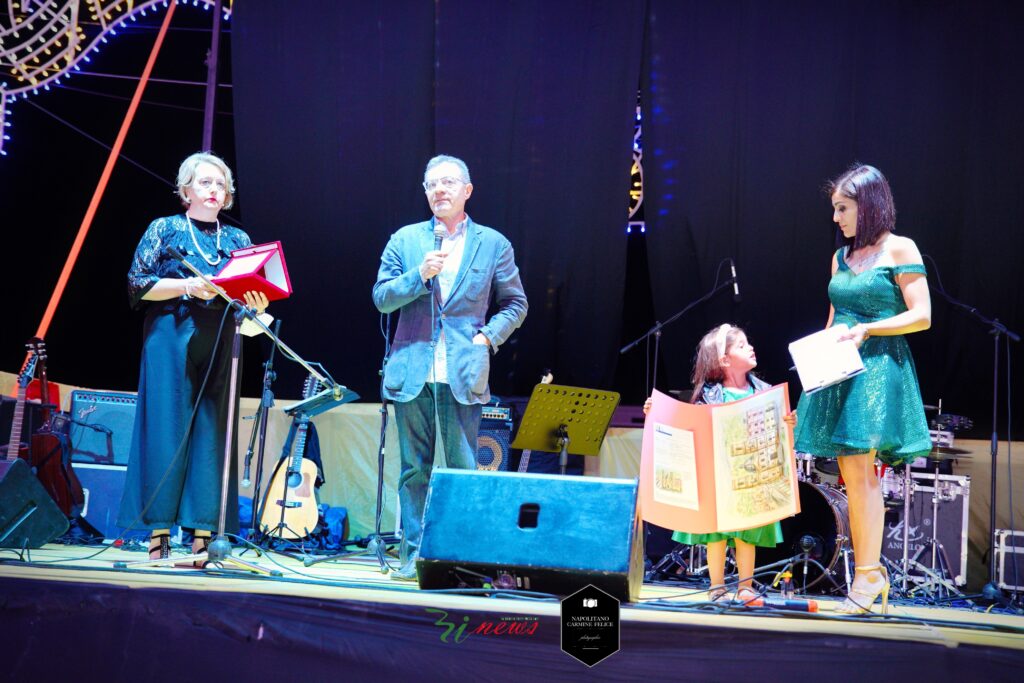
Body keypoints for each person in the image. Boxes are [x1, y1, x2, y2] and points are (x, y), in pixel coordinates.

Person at [373, 155, 528, 581]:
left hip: (462, 370)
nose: (439, 191)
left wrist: (487, 337)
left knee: (462, 469)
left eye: (448, 183)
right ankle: (414, 557)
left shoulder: (493, 243)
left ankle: (466, 560)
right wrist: (418, 276)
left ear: (467, 191)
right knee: (414, 470)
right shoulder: (405, 240)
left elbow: (516, 303)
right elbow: (382, 298)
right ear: (425, 192)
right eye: (432, 185)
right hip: (413, 371)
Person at [118, 152, 269, 565]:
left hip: (221, 336)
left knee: (212, 432)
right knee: (165, 429)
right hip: (171, 334)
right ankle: (159, 533)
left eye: (220, 185)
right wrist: (187, 287)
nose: (214, 191)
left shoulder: (237, 239)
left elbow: (249, 288)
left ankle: (204, 534)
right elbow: (138, 285)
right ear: (186, 190)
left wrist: (255, 300)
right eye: (205, 183)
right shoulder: (164, 229)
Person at [795, 163, 931, 614]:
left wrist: (869, 329)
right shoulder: (840, 258)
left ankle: (870, 576)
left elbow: (922, 315)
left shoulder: (899, 248)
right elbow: (834, 319)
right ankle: (870, 575)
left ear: (868, 204)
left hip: (878, 369)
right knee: (853, 475)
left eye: (843, 207)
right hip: (840, 369)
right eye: (835, 208)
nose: (836, 218)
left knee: (860, 472)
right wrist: (812, 369)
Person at [644, 324, 795, 602]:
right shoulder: (709, 395)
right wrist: (655, 414)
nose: (750, 347)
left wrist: (787, 423)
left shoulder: (763, 391)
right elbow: (686, 426)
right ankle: (717, 586)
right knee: (716, 532)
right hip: (719, 475)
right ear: (724, 360)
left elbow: (775, 432)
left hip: (751, 472)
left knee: (748, 532)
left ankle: (745, 586)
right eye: (741, 345)